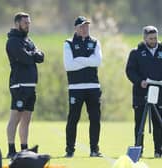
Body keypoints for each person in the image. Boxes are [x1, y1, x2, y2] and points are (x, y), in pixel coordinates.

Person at [6, 12, 44, 158]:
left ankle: (24, 149)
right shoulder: (13, 42)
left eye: (29, 23)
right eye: (25, 23)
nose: (28, 25)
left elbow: (40, 56)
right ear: (17, 24)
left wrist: (34, 53)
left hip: (30, 86)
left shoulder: (28, 40)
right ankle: (11, 149)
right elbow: (26, 58)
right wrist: (34, 54)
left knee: (26, 118)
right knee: (15, 117)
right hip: (19, 85)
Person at [63, 16, 102, 157]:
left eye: (86, 26)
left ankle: (94, 150)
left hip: (93, 86)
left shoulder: (95, 42)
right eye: (82, 26)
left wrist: (79, 60)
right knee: (73, 119)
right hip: (75, 88)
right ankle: (69, 150)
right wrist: (88, 61)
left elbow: (97, 61)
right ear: (76, 28)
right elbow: (69, 65)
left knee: (95, 119)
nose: (85, 29)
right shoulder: (68, 43)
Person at [126, 25, 162, 157]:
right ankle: (138, 151)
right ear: (145, 38)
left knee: (159, 123)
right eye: (151, 38)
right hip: (141, 93)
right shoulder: (136, 52)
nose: (154, 41)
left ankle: (159, 151)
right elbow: (130, 71)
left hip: (159, 93)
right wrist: (139, 81)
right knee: (139, 124)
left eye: (155, 38)